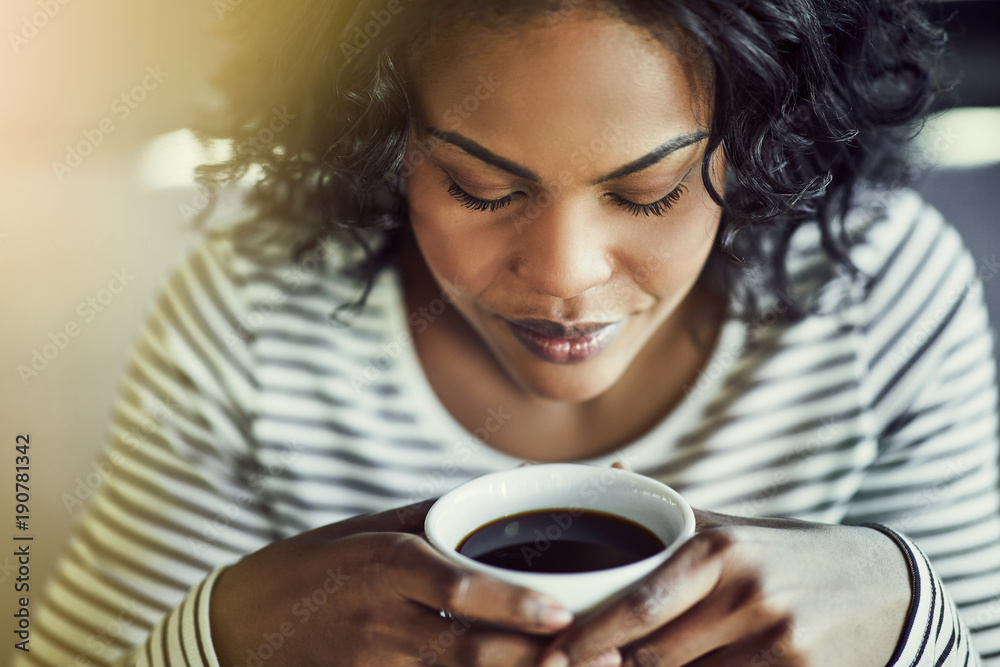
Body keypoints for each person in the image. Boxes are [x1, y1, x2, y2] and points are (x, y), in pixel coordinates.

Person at [19, 0, 1000, 665]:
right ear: (377, 143)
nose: (563, 273)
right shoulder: (249, 308)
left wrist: (903, 607)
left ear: (757, 150)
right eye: (480, 187)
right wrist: (224, 632)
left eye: (649, 192)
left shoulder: (879, 290)